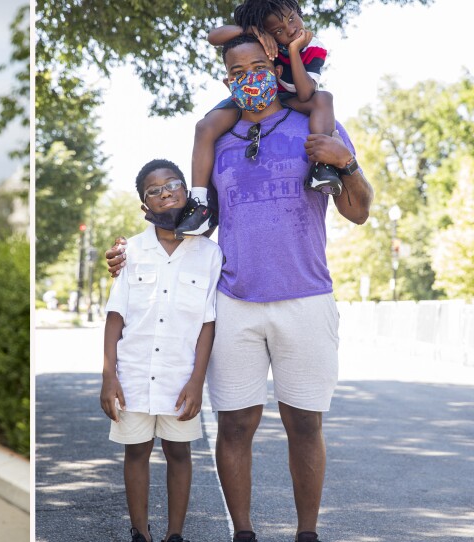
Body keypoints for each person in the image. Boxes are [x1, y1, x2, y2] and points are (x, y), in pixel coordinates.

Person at [107, 34, 373, 542]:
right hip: (234, 302)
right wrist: (129, 251)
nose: (249, 77)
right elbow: (192, 224)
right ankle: (244, 534)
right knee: (233, 427)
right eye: (237, 71)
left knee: (304, 426)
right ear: (226, 80)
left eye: (257, 66)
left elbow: (358, 211)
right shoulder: (221, 140)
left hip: (307, 297)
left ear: (274, 66)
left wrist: (348, 162)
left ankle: (307, 534)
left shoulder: (315, 124)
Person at [101, 159, 222, 542]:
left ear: (187, 191)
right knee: (136, 452)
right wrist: (109, 376)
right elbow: (115, 316)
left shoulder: (208, 254)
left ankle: (174, 534)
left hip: (178, 375)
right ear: (144, 206)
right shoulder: (131, 251)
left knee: (179, 453)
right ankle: (140, 532)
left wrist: (197, 380)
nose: (165, 192)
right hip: (133, 372)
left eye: (173, 184)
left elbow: (207, 323)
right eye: (154, 190)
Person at [178, 0, 340, 235]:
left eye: (292, 19)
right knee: (204, 127)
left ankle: (322, 167)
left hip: (288, 96)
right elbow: (213, 36)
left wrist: (294, 49)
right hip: (251, 97)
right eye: (276, 30)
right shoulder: (260, 39)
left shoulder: (311, 46)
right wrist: (253, 31)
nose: (289, 29)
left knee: (324, 98)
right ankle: (200, 204)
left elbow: (306, 94)